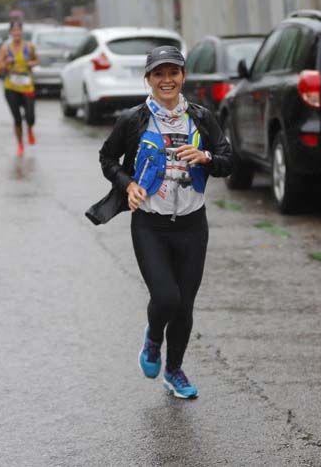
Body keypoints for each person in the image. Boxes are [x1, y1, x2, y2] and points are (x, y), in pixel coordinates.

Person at [86, 46, 232, 400]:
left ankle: (174, 370)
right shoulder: (134, 119)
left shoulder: (201, 117)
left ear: (183, 76)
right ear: (148, 79)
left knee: (184, 306)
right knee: (166, 297)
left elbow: (228, 159)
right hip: (151, 225)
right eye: (158, 74)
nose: (167, 80)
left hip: (192, 225)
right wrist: (128, 184)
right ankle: (153, 340)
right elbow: (108, 157)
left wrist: (207, 156)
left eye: (173, 73)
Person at [0, 21, 39, 157]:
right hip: (11, 87)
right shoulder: (5, 49)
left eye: (18, 30)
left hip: (27, 86)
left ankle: (30, 128)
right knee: (17, 119)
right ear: (10, 33)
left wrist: (32, 63)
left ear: (22, 32)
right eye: (14, 31)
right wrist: (5, 63)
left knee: (30, 116)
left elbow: (37, 60)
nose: (16, 33)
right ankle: (20, 144)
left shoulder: (29, 47)